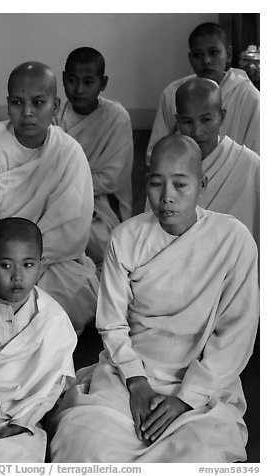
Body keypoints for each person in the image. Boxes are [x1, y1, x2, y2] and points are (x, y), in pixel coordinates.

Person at [48, 134, 259, 463]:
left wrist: (186, 398)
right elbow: (112, 323)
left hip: (202, 378)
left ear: (202, 184)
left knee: (200, 454)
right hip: (131, 369)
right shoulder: (126, 238)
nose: (167, 198)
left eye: (180, 185)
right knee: (82, 441)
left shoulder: (233, 240)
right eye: (157, 184)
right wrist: (136, 382)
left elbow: (237, 333)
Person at [0, 61, 98, 335]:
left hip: (47, 260)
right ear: (7, 102)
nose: (27, 113)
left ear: (55, 105)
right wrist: (6, 266)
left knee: (71, 298)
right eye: (17, 102)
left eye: (38, 102)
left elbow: (71, 229)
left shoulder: (68, 152)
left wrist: (27, 266)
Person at [0, 217, 77, 462]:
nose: (18, 277)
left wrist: (24, 422)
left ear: (40, 266)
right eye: (5, 266)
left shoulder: (52, 317)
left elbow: (53, 383)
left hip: (27, 408)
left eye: (27, 265)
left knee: (20, 452)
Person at [57, 47, 134, 271]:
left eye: (88, 82)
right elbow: (45, 165)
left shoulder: (116, 118)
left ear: (103, 83)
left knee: (100, 242)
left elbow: (111, 178)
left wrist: (66, 185)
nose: (79, 89)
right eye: (72, 80)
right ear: (63, 79)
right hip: (57, 197)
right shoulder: (55, 114)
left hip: (101, 204)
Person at [146, 22, 260, 162]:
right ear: (190, 59)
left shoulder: (249, 97)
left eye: (213, 53)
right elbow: (156, 153)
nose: (206, 60)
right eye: (197, 55)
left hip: (235, 179)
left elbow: (257, 159)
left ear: (228, 54)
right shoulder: (172, 93)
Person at [175, 77, 259, 247]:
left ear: (222, 117)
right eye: (187, 122)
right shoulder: (168, 164)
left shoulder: (250, 166)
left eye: (206, 120)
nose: (197, 131)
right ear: (177, 121)